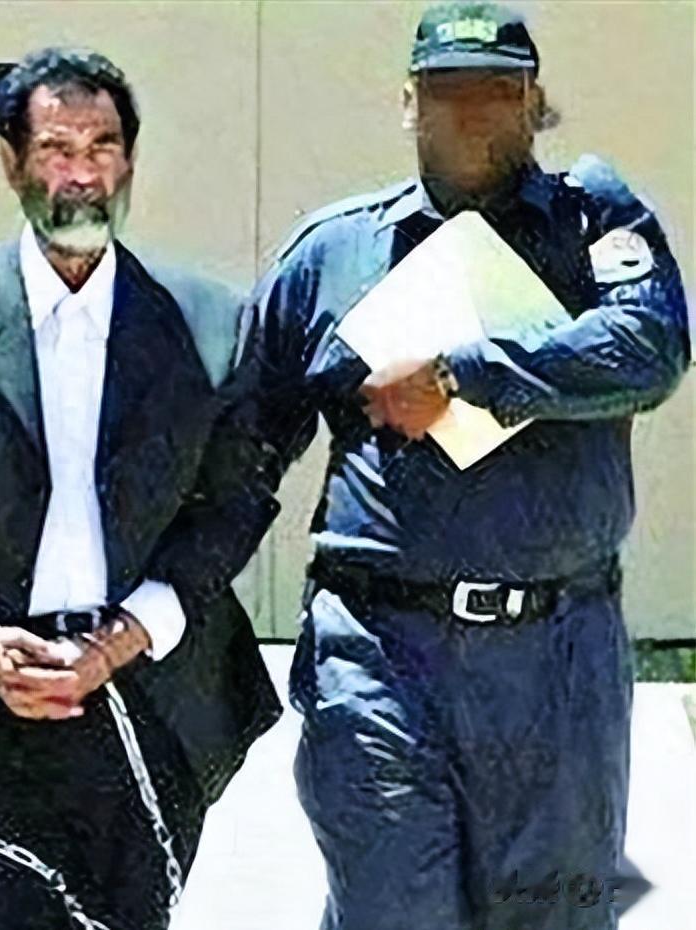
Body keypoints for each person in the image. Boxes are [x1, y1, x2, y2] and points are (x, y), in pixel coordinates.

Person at [240, 4, 690, 929]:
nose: (472, 111)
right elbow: (243, 448)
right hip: (380, 656)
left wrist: (462, 372)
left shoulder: (596, 221)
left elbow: (650, 349)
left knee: (555, 914)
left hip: (560, 666)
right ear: (409, 102)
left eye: (498, 89)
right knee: (393, 910)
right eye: (447, 90)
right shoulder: (334, 252)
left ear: (535, 102)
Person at [0, 46, 283, 930]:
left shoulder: (209, 323)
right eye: (55, 148)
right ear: (12, 162)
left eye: (102, 147)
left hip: (153, 695)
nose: (82, 174)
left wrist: (122, 641)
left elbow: (233, 507)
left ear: (130, 161)